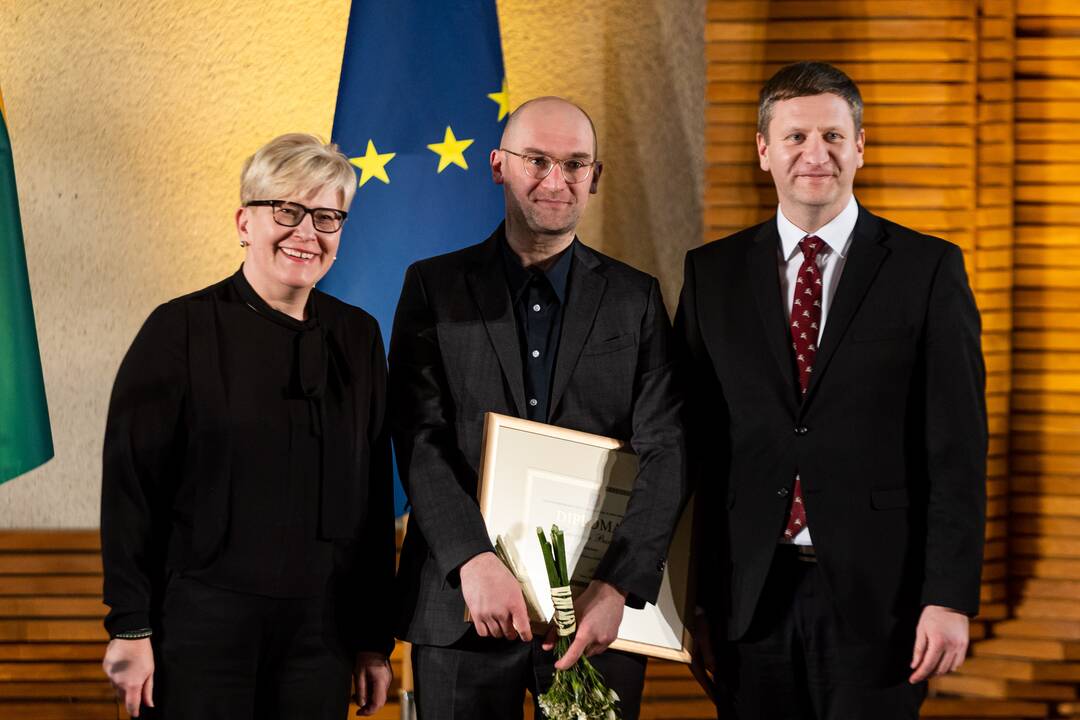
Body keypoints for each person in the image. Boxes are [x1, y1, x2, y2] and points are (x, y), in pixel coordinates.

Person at [677, 62, 987, 719]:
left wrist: (950, 595)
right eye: (794, 137)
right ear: (764, 151)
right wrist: (693, 600)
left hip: (884, 605)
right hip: (747, 603)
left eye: (832, 136)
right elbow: (694, 447)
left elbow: (957, 451)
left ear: (860, 147)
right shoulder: (711, 275)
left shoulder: (928, 270)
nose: (814, 154)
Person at [389, 96, 685, 720]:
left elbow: (667, 449)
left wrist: (620, 585)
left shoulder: (635, 299)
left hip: (595, 615)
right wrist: (472, 558)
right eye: (537, 160)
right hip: (461, 606)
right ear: (498, 165)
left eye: (576, 164)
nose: (558, 179)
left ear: (595, 177)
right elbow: (419, 436)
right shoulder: (432, 287)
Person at [100, 133, 395, 719]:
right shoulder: (179, 329)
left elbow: (371, 499)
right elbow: (131, 488)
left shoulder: (358, 337)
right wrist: (130, 627)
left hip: (322, 633)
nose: (306, 232)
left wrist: (372, 640)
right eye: (286, 210)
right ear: (244, 221)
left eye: (327, 216)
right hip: (201, 629)